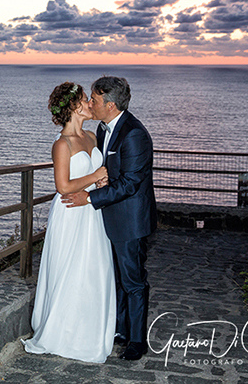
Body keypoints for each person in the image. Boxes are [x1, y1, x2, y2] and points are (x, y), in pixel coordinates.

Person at [61, 76, 156, 361]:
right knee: (114, 278)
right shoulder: (103, 129)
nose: (90, 103)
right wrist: (101, 183)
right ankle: (120, 329)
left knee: (133, 281)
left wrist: (89, 198)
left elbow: (130, 183)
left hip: (129, 220)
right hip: (108, 217)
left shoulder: (134, 134)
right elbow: (110, 170)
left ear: (110, 105)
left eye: (94, 99)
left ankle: (137, 341)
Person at [23, 82, 116, 363]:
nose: (90, 103)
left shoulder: (92, 136)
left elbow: (100, 175)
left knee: (94, 269)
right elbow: (63, 185)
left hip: (91, 212)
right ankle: (62, 332)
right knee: (70, 270)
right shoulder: (62, 144)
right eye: (86, 99)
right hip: (70, 213)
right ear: (74, 107)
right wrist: (96, 174)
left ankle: (90, 330)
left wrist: (104, 178)